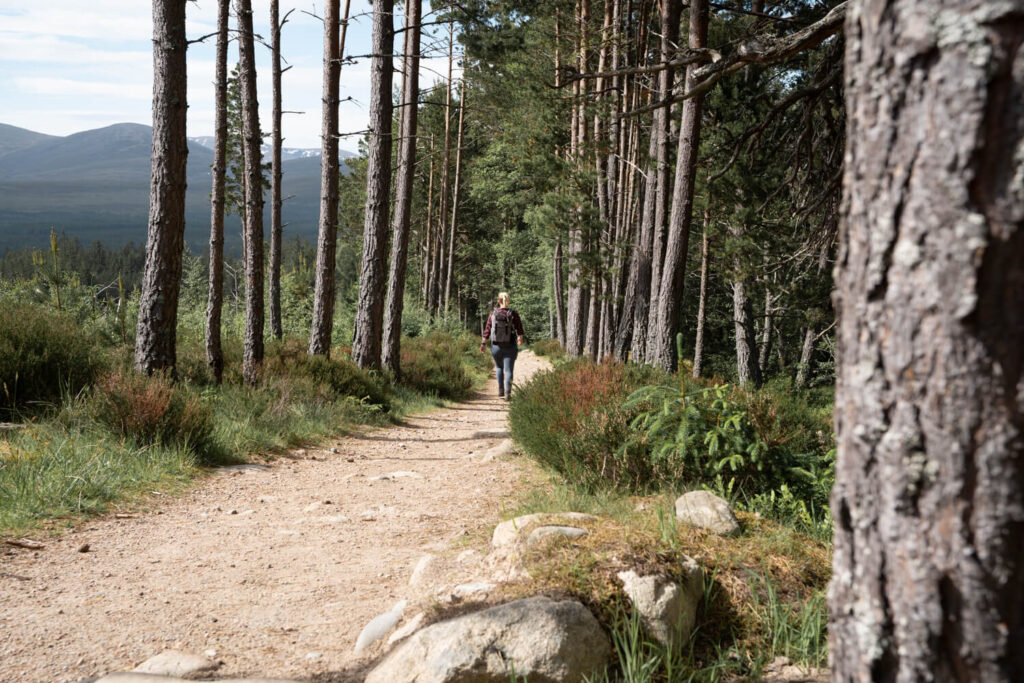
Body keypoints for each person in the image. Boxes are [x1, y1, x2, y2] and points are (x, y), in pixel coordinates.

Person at [480, 292, 525, 400]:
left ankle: (500, 391)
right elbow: (519, 328)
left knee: (499, 368)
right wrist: (520, 338)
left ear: (498, 301)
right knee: (508, 370)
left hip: (496, 346)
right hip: (510, 345)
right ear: (508, 300)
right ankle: (508, 393)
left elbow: (487, 329)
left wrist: (483, 343)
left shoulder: (493, 313)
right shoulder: (513, 313)